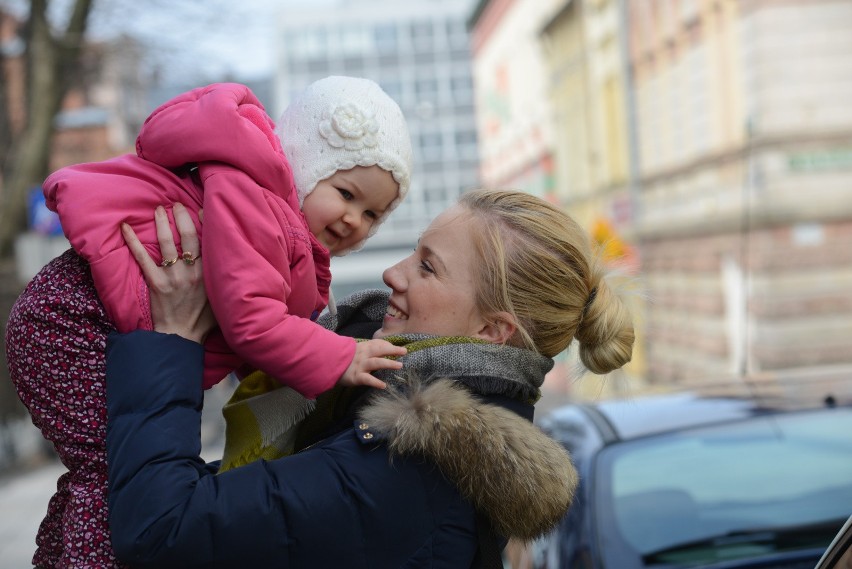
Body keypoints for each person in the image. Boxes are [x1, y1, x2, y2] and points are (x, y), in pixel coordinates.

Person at [105, 189, 636, 568]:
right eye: (414, 252)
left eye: (428, 267)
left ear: (492, 330)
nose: (393, 273)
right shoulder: (401, 433)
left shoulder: (402, 467)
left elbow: (161, 527)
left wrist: (170, 343)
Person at [4, 76, 411, 568]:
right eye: (345, 193)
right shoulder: (256, 204)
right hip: (73, 323)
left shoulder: (284, 235)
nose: (354, 219)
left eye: (372, 214)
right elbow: (253, 324)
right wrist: (345, 356)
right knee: (118, 471)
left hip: (68, 319)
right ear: (304, 166)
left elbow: (256, 346)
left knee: (103, 471)